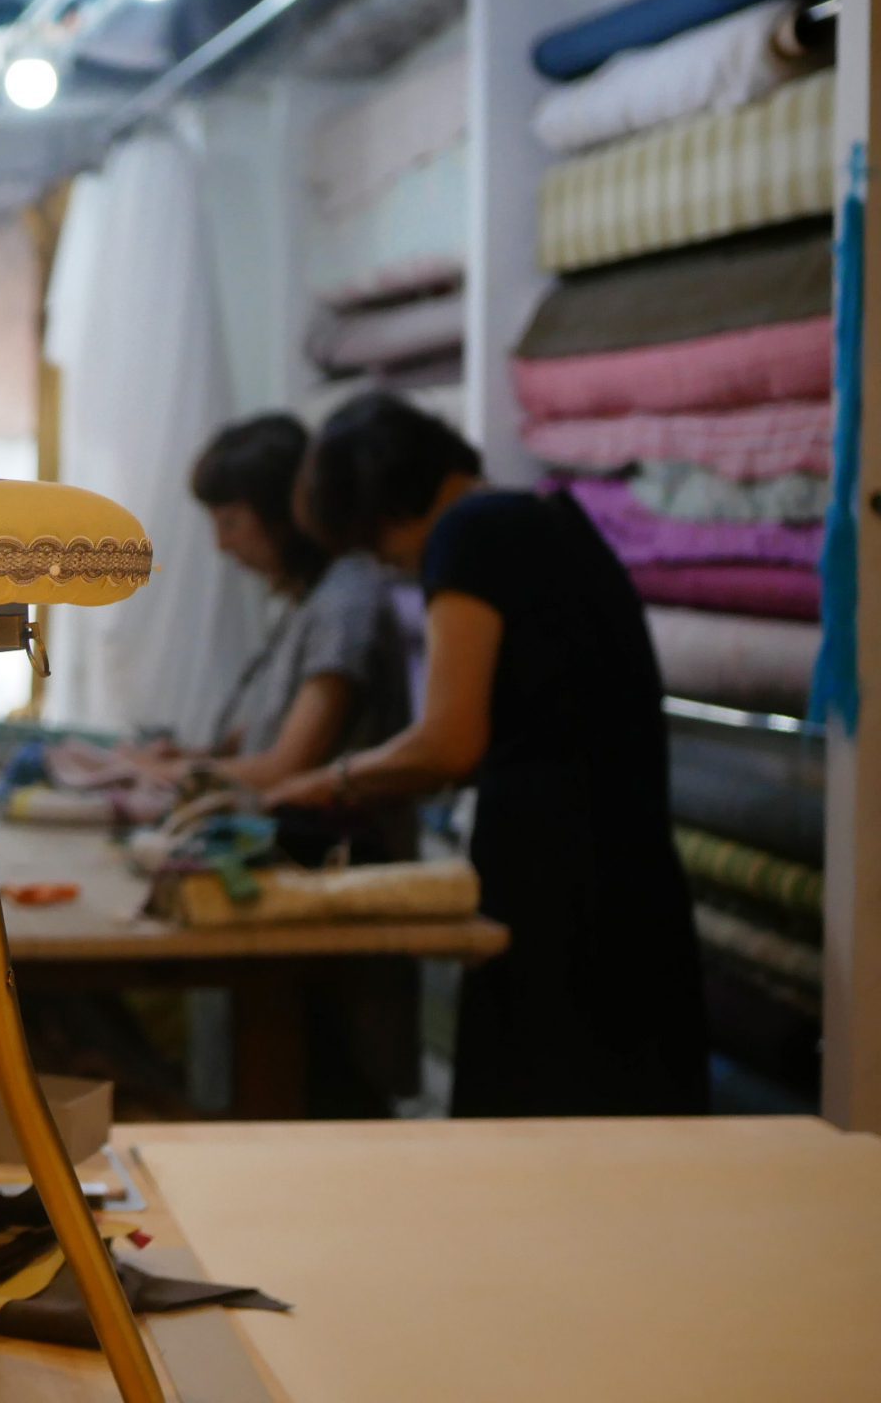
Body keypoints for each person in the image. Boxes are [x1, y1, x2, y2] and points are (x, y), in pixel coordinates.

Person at [268, 393, 708, 1117]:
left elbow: (450, 742)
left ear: (382, 509)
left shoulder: (469, 535)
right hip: (629, 875)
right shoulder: (548, 520)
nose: (392, 566)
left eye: (378, 549)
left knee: (536, 1127)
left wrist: (327, 781)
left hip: (557, 890)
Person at [190, 413, 415, 858]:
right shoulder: (307, 601)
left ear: (280, 515)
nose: (222, 544)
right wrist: (183, 760)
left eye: (231, 522)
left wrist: (168, 776)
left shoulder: (346, 599)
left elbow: (286, 768)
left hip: (342, 864)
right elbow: (260, 739)